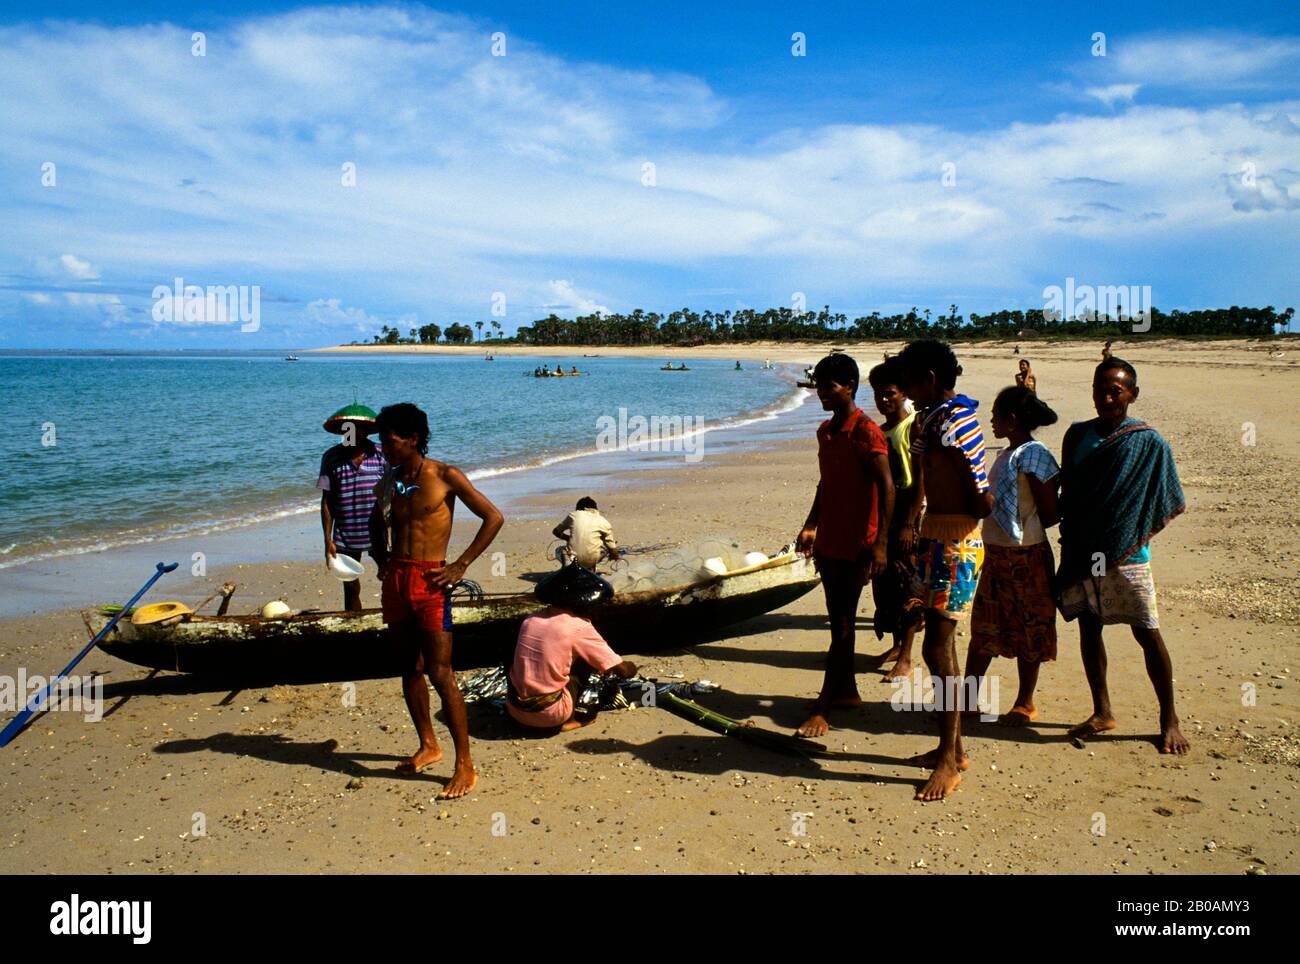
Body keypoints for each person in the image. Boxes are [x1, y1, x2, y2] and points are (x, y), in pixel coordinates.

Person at [368, 402, 504, 798]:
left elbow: (493, 517)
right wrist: (381, 558)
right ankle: (429, 745)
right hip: (396, 578)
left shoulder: (445, 476)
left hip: (431, 580)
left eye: (390, 440)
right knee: (409, 667)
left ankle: (466, 765)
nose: (384, 446)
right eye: (381, 439)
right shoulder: (391, 480)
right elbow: (377, 520)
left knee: (441, 673)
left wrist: (461, 565)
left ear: (413, 438)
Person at [1056, 358, 1189, 754]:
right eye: (1101, 389)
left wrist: (1127, 526)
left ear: (1133, 394)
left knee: (1146, 631)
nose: (1107, 397)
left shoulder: (1149, 441)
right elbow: (1071, 492)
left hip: (1128, 552)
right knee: (1089, 627)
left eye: (1116, 390)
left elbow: (1165, 494)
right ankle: (1102, 710)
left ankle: (1169, 718)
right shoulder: (1076, 435)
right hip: (1082, 548)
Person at [896, 340, 992, 801]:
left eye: (912, 381)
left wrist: (970, 522)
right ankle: (952, 748)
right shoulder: (931, 418)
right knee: (941, 648)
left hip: (957, 540)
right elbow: (924, 477)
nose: (908, 390)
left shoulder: (956, 419)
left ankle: (949, 759)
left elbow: (978, 486)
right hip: (937, 534)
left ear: (931, 378)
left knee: (937, 648)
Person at [795, 353, 894, 738]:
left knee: (842, 626)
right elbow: (826, 484)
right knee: (839, 619)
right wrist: (810, 524)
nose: (822, 391)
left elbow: (887, 487)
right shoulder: (826, 431)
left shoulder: (866, 431)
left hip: (857, 543)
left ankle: (823, 707)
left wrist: (882, 545)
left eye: (829, 386)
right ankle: (847, 692)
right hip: (830, 541)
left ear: (850, 387)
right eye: (819, 384)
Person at [963, 387, 1060, 726]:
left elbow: (1049, 513)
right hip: (997, 555)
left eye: (996, 415)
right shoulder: (1008, 453)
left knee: (1030, 629)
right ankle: (967, 700)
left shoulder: (1035, 455)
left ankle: (1025, 701)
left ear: (1012, 420)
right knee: (985, 628)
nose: (991, 420)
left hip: (1027, 555)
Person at [507, 566, 637, 731]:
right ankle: (571, 720)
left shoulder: (530, 620)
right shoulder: (578, 627)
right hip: (549, 716)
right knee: (585, 663)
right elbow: (623, 671)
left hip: (514, 709)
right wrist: (631, 667)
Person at [865, 360, 922, 682]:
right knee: (885, 584)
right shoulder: (881, 431)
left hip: (907, 514)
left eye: (889, 393)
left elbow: (920, 478)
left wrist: (911, 522)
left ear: (903, 394)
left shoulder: (912, 425)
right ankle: (897, 645)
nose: (884, 400)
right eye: (878, 394)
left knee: (908, 582)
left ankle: (908, 657)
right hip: (886, 515)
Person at [318, 404, 388, 612]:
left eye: (356, 428)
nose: (350, 432)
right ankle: (354, 623)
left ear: (365, 430)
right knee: (350, 586)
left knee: (390, 579)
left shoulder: (381, 454)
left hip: (380, 532)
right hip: (346, 535)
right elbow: (327, 501)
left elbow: (392, 492)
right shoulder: (331, 457)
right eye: (347, 428)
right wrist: (327, 540)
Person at [553, 497, 620, 569]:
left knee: (559, 550)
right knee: (601, 549)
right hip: (592, 560)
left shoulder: (573, 515)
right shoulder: (604, 521)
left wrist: (568, 538)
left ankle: (566, 568)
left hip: (572, 558)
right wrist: (614, 556)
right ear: (595, 508)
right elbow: (613, 549)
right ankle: (591, 567)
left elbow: (556, 531)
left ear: (579, 508)